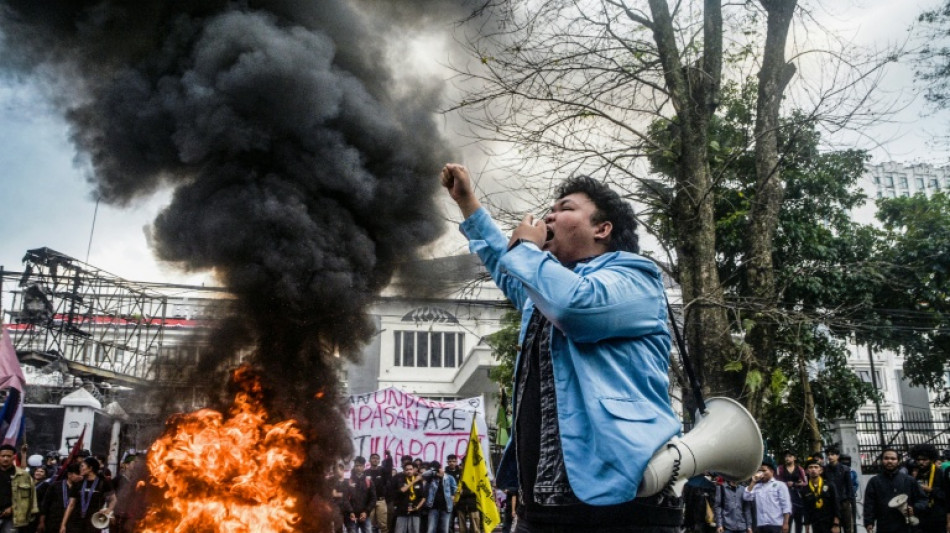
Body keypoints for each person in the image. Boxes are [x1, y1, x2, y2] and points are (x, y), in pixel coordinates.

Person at [441, 164, 682, 531]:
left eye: (565, 207)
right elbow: (506, 267)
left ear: (602, 229)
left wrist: (526, 248)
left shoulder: (635, 278)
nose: (549, 214)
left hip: (623, 503)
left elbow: (575, 307)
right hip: (545, 501)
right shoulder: (547, 289)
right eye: (551, 208)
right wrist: (468, 202)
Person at [863, 448, 926, 533]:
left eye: (893, 459)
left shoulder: (909, 480)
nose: (889, 461)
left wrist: (913, 509)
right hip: (884, 526)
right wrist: (869, 523)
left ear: (898, 461)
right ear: (882, 461)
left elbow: (923, 500)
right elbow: (869, 504)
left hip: (907, 527)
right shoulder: (874, 481)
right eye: (886, 458)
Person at [60, 456, 114, 533]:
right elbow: (71, 505)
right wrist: (63, 524)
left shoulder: (103, 483)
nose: (80, 468)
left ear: (90, 468)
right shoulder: (78, 482)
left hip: (94, 522)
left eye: (82, 466)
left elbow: (113, 499)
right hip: (76, 522)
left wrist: (108, 510)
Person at [742, 460, 792, 533]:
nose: (761, 473)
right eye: (759, 471)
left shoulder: (780, 485)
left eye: (764, 470)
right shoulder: (756, 486)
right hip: (760, 524)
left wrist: (785, 523)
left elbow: (786, 506)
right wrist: (753, 482)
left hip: (776, 524)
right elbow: (746, 497)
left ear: (772, 471)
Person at [0, 443, 37, 532]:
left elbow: (29, 498)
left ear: (13, 457)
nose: (5, 458)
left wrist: (12, 508)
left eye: (8, 456)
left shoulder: (23, 475)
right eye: (3, 456)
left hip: (12, 517)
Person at [910, 444, 947, 533]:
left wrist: (931, 490)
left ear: (931, 459)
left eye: (924, 459)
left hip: (937, 516)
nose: (921, 462)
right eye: (918, 460)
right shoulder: (914, 473)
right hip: (920, 515)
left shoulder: (940, 473)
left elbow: (946, 495)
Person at [38, 463, 83, 533]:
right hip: (53, 522)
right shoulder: (55, 485)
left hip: (72, 523)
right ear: (69, 474)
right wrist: (41, 522)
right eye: (78, 474)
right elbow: (45, 504)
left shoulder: (80, 487)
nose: (80, 476)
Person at [801, 458, 839, 533]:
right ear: (806, 471)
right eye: (810, 467)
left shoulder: (830, 485)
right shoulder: (805, 490)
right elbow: (806, 510)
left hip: (830, 523)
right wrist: (807, 528)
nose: (813, 470)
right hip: (816, 524)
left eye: (816, 467)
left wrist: (836, 524)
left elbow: (836, 504)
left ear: (820, 470)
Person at [822, 448, 854, 533]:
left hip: (843, 501)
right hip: (831, 502)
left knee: (848, 526)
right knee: (834, 527)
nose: (830, 456)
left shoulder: (845, 469)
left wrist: (849, 500)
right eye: (828, 455)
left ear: (837, 456)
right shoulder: (825, 470)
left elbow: (849, 487)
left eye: (832, 454)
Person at [775, 451, 806, 533]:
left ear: (794, 458)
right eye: (786, 456)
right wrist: (785, 484)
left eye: (790, 456)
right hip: (785, 497)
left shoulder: (800, 469)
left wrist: (795, 484)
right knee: (787, 523)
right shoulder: (780, 468)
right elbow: (776, 482)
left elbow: (805, 483)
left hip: (798, 498)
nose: (787, 458)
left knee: (799, 523)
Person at [391, 463, 425, 533]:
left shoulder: (419, 482)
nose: (409, 471)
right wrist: (414, 481)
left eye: (411, 469)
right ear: (404, 471)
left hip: (415, 511)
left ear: (414, 470)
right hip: (402, 511)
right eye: (407, 470)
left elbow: (423, 497)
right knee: (399, 531)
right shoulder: (401, 480)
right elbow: (403, 490)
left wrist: (417, 508)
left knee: (415, 531)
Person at [423, 461, 456, 533]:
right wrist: (434, 472)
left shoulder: (449, 478)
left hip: (446, 507)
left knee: (444, 530)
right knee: (431, 529)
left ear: (441, 468)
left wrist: (453, 497)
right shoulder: (431, 478)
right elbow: (424, 474)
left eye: (438, 469)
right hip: (433, 507)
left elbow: (455, 490)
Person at [366, 452, 392, 533]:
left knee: (383, 525)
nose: (375, 460)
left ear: (379, 460)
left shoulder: (383, 470)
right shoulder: (366, 472)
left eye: (377, 458)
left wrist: (389, 456)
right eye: (373, 458)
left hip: (381, 501)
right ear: (369, 460)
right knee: (369, 525)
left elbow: (389, 468)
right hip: (369, 501)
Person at [350, 457, 377, 533]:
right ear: (354, 466)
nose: (358, 468)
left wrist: (366, 512)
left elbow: (373, 498)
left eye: (360, 465)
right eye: (356, 465)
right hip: (352, 516)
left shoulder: (369, 481)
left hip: (365, 516)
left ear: (364, 467)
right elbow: (346, 499)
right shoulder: (349, 481)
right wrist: (350, 512)